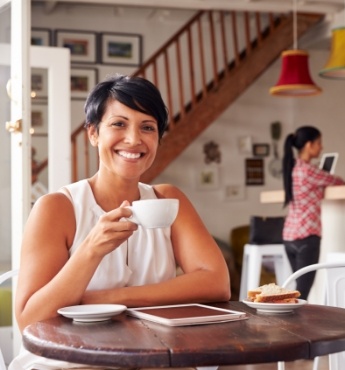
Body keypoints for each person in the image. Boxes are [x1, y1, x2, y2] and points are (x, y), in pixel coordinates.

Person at [10, 74, 231, 370]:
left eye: (148, 127)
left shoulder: (167, 199)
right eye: (119, 124)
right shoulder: (58, 208)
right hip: (71, 361)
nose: (134, 139)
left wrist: (108, 299)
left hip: (153, 356)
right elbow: (29, 319)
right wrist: (91, 250)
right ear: (93, 133)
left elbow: (217, 282)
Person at [282, 126, 345, 301]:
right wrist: (323, 176)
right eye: (318, 143)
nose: (321, 147)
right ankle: (296, 327)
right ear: (309, 145)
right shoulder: (309, 170)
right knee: (301, 295)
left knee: (298, 292)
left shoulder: (292, 167)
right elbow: (338, 181)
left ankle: (293, 326)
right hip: (307, 237)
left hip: (289, 237)